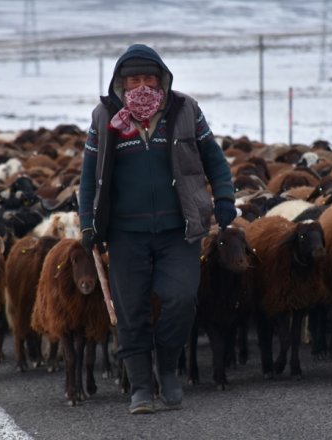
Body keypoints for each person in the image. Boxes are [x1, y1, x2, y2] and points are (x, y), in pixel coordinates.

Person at [78, 44, 236, 414]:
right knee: (130, 309)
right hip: (125, 232)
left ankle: (168, 369)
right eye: (134, 78)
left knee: (180, 298)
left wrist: (225, 196)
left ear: (162, 78)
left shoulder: (184, 110)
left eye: (149, 77)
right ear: (121, 82)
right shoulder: (105, 117)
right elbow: (89, 176)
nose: (142, 84)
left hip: (178, 227)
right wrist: (88, 223)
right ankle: (141, 387)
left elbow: (214, 158)